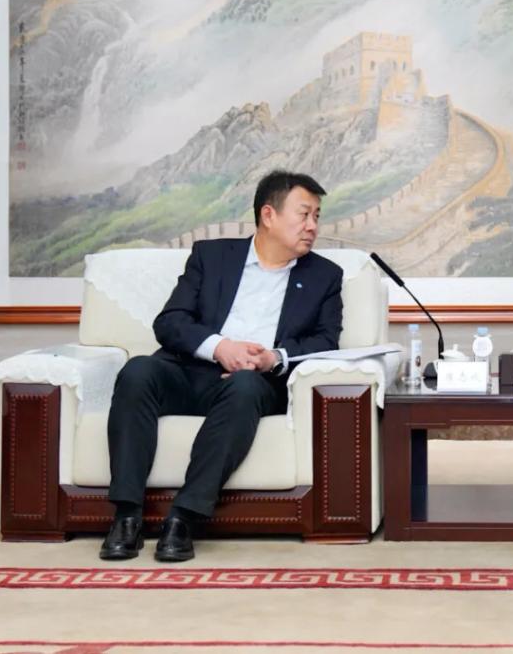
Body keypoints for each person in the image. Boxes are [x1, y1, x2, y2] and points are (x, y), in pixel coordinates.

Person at [100, 170, 343, 562]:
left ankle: (184, 517)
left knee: (244, 386)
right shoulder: (211, 257)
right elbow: (170, 322)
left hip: (252, 384)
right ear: (268, 215)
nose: (313, 226)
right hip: (189, 371)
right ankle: (126, 516)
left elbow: (326, 342)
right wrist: (219, 347)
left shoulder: (325, 276)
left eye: (317, 216)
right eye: (304, 214)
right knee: (137, 371)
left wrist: (272, 358)